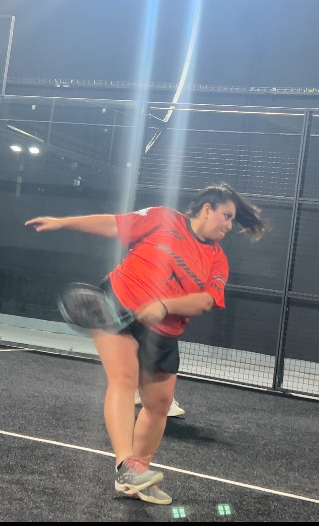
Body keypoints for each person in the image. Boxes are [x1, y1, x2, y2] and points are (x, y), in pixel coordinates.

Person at [25, 183, 269, 505]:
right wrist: (62, 222)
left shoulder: (217, 260)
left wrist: (165, 306)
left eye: (233, 220)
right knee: (124, 378)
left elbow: (207, 301)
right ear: (207, 209)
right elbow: (115, 224)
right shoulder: (163, 218)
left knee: (159, 404)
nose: (229, 225)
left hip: (163, 332)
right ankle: (125, 467)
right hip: (116, 305)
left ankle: (137, 476)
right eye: (226, 216)